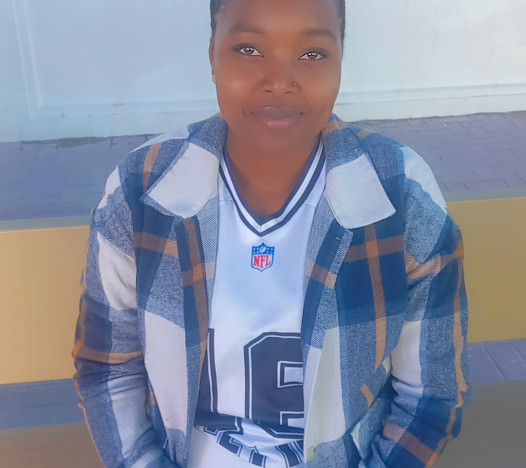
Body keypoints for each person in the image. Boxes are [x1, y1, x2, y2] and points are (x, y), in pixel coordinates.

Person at [73, 0, 469, 467]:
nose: (279, 81)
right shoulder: (141, 189)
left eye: (312, 54)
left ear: (341, 58)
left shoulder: (400, 193)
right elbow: (108, 369)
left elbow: (430, 395)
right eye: (248, 49)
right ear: (212, 55)